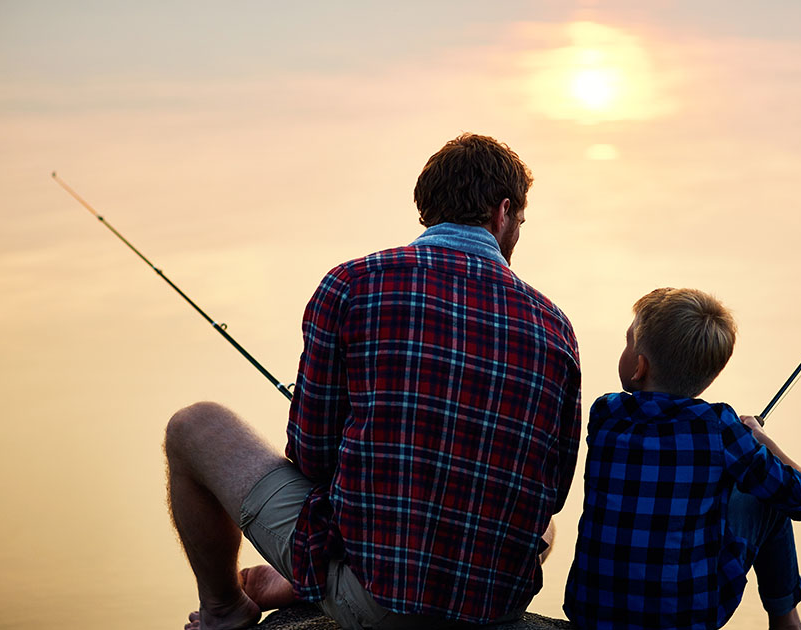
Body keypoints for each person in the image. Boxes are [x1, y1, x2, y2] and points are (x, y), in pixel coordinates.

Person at [164, 133, 582, 630]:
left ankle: (225, 609)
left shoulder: (351, 284)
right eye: (521, 224)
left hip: (380, 606)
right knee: (545, 525)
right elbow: (552, 490)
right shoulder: (555, 326)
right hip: (496, 607)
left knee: (194, 426)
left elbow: (313, 457)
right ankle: (310, 579)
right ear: (503, 213)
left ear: (428, 210)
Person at [563, 288, 801, 630]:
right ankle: (786, 620)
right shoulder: (720, 428)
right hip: (685, 620)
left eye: (628, 342)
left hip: (592, 611)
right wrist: (760, 438)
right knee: (768, 496)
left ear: (639, 367)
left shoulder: (605, 414)